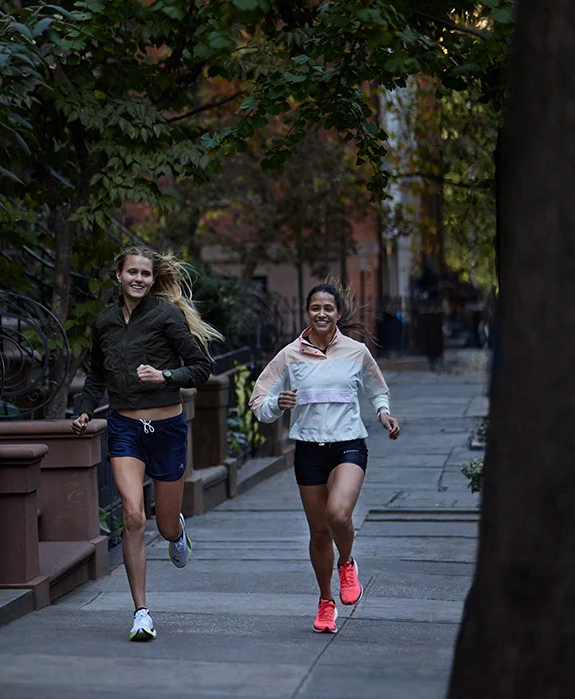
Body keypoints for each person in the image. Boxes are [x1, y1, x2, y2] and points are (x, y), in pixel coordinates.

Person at [72, 246, 220, 641]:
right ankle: (141, 612)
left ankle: (177, 531)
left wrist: (165, 376)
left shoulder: (166, 315)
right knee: (134, 516)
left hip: (167, 430)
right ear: (118, 275)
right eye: (132, 272)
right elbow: (95, 376)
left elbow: (202, 369)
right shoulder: (104, 322)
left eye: (145, 274)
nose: (138, 279)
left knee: (165, 525)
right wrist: (86, 409)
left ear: (154, 280)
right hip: (125, 430)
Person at [249, 282, 401, 634]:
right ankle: (325, 600)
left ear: (338, 314)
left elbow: (378, 388)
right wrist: (277, 404)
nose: (321, 313)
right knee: (319, 532)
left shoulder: (356, 351)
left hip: (348, 443)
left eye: (328, 309)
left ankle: (347, 562)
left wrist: (383, 413)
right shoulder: (289, 355)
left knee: (338, 513)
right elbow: (259, 403)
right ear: (307, 312)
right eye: (315, 308)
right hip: (308, 449)